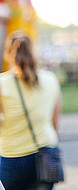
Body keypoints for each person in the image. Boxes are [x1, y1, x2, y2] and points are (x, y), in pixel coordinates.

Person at [0, 32, 62, 190]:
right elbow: (54, 122)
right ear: (33, 51)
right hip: (47, 153)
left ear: (8, 54)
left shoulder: (2, 84)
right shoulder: (50, 79)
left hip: (12, 156)